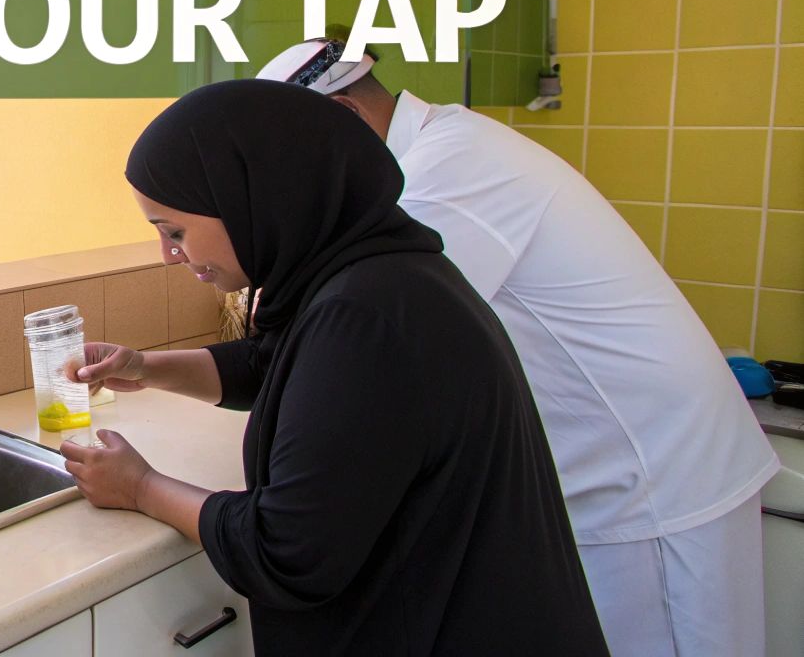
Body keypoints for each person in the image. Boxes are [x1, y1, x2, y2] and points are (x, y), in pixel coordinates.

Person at [255, 36, 777, 657]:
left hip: (651, 477)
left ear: (345, 119)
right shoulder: (443, 147)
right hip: (628, 461)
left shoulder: (444, 174)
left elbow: (365, 339)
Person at [61, 80, 608, 656]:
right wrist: (146, 367)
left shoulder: (363, 319)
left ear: (250, 197)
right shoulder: (381, 270)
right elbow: (275, 363)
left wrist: (141, 487)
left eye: (175, 231)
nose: (169, 255)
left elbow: (285, 553)